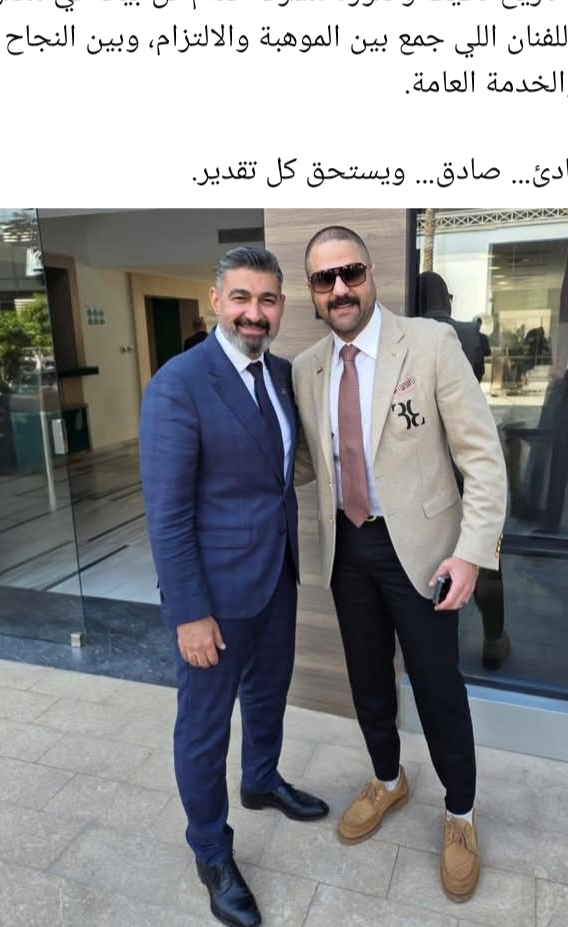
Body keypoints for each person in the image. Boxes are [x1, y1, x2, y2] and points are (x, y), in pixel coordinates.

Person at [293, 227, 507, 903]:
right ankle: (389, 779)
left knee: (439, 689)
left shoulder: (430, 344)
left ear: (371, 273)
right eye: (324, 279)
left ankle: (461, 812)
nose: (339, 289)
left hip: (424, 552)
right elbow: (308, 463)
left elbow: (482, 458)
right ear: (312, 293)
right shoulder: (306, 369)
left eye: (350, 272)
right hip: (347, 549)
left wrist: (471, 554)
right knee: (367, 681)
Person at [140, 247, 328, 927]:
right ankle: (211, 851)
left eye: (268, 299)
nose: (255, 312)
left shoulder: (280, 374)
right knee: (203, 726)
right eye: (242, 297)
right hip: (213, 598)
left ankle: (261, 779)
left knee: (269, 691)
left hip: (277, 574)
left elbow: (284, 470)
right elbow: (167, 515)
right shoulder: (178, 384)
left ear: (281, 307)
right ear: (216, 300)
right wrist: (189, 613)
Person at [416, 271, 511, 669]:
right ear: (447, 298)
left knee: (426, 560)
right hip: (464, 453)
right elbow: (480, 379)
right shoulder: (470, 332)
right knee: (484, 559)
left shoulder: (410, 336)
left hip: (426, 466)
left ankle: (437, 648)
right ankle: (493, 640)